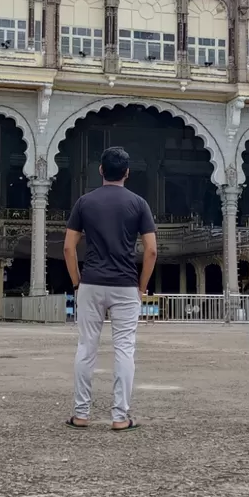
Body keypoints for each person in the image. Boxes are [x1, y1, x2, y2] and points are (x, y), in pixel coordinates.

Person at [64, 145, 157, 432]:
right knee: (124, 350)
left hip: (91, 282)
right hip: (125, 284)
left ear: (101, 170)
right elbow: (151, 250)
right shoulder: (138, 204)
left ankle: (81, 414)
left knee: (86, 347)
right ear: (127, 173)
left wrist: (78, 283)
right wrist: (141, 286)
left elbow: (68, 247)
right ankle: (120, 416)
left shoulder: (84, 202)